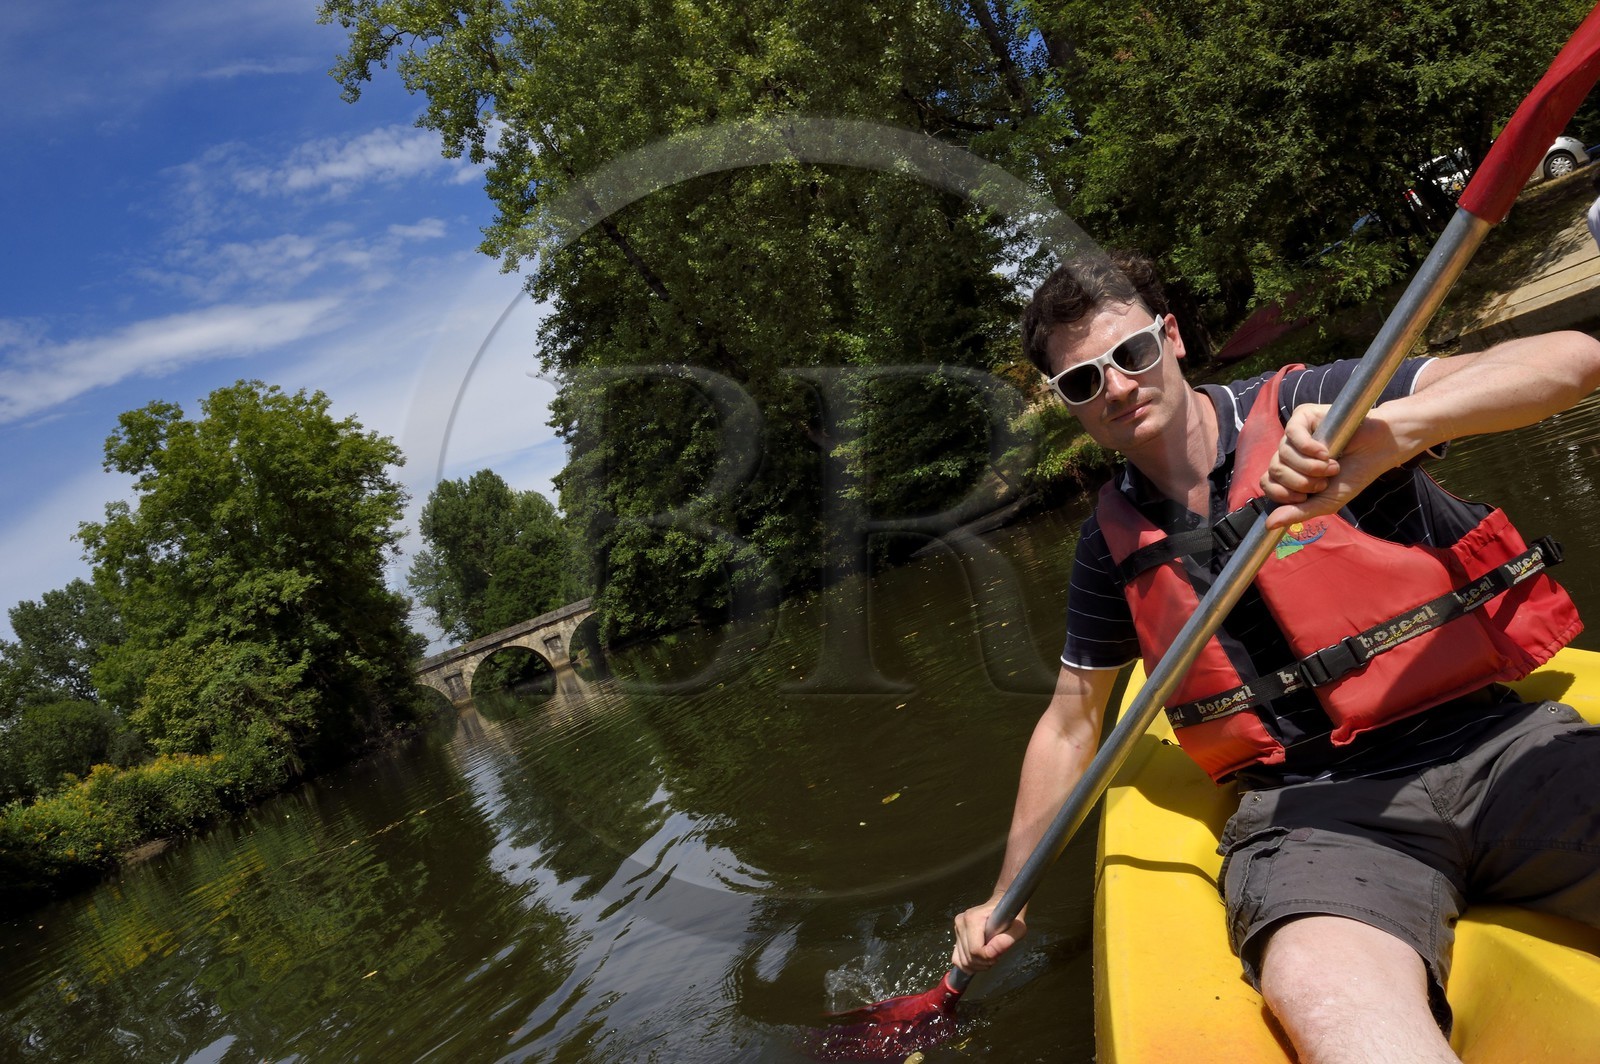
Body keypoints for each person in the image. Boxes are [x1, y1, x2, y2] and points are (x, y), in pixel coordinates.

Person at [951, 251, 1600, 1064]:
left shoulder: (1310, 405)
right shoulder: (1106, 546)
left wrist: (1392, 436)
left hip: (1496, 750)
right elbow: (1073, 720)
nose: (1115, 387)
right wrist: (1002, 899)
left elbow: (1570, 360)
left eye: (1130, 355)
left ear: (1172, 338)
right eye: (1082, 382)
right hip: (1317, 815)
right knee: (1330, 1006)